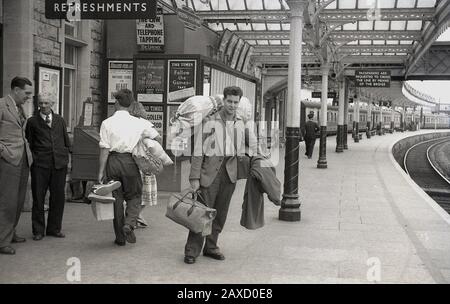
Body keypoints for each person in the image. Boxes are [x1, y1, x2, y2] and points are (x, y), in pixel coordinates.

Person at [184, 86, 254, 264]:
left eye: (235, 102)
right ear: (224, 100)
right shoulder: (210, 120)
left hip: (229, 175)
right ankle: (192, 250)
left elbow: (250, 145)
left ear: (239, 103)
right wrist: (194, 178)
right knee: (202, 213)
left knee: (220, 214)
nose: (232, 105)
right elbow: (198, 150)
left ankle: (211, 247)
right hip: (209, 174)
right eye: (229, 101)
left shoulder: (241, 122)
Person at [97, 89, 159, 246]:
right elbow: (156, 136)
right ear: (131, 104)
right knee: (134, 195)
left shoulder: (107, 123)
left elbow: (104, 149)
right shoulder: (138, 123)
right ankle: (130, 223)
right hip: (130, 162)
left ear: (116, 103)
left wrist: (100, 172)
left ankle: (120, 238)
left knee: (116, 199)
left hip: (113, 161)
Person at [25, 94, 71, 241]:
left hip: (59, 164)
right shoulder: (32, 122)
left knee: (58, 197)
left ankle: (54, 228)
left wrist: (67, 159)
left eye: (46, 103)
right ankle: (38, 230)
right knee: (38, 198)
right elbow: (29, 142)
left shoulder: (60, 120)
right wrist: (35, 159)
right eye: (41, 103)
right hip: (40, 165)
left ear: (52, 103)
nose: (43, 105)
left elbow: (66, 141)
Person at [0, 76, 33, 255]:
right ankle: (2, 241)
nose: (28, 97)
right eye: (26, 93)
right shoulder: (1, 105)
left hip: (23, 158)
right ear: (16, 90)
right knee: (8, 202)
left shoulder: (19, 108)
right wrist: (4, 151)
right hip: (8, 159)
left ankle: (10, 233)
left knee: (19, 200)